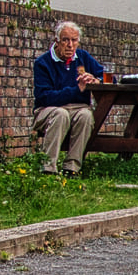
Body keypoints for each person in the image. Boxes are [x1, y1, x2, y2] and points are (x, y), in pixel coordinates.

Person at [33, 20, 103, 176]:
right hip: (47, 110)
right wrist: (76, 90)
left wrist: (96, 81)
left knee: (86, 115)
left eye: (74, 40)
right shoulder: (43, 63)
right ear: (57, 41)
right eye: (65, 40)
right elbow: (44, 97)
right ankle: (48, 168)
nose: (70, 45)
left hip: (78, 109)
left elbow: (107, 77)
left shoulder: (83, 57)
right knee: (61, 114)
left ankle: (72, 168)